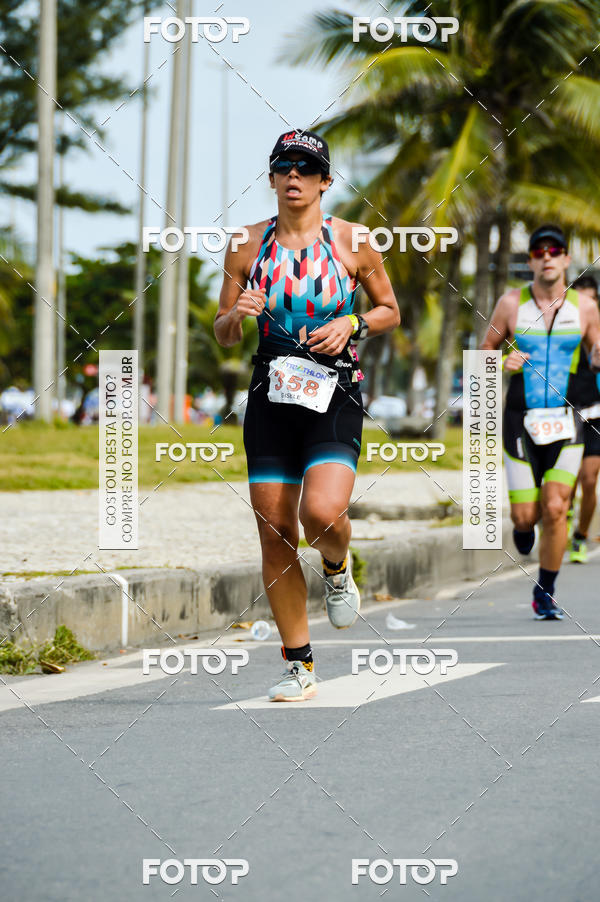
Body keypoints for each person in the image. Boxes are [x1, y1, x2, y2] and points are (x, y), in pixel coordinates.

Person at [214, 130, 400, 699]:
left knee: (321, 513)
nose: (294, 175)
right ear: (272, 178)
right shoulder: (246, 244)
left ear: (324, 181)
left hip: (334, 390)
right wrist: (237, 314)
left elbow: (390, 310)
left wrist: (353, 323)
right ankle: (300, 665)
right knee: (275, 530)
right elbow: (223, 332)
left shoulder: (353, 241)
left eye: (306, 167)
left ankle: (337, 568)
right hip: (271, 394)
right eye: (284, 166)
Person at [481, 224, 600, 619]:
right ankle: (522, 527)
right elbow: (484, 352)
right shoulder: (510, 304)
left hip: (568, 419)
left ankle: (546, 590)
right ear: (531, 261)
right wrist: (503, 360)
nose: (547, 257)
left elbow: (596, 354)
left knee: (556, 506)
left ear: (566, 259)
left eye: (554, 251)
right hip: (520, 420)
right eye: (539, 252)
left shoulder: (585, 308)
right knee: (525, 516)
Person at [568, 275, 600, 562]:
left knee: (589, 480)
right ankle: (561, 516)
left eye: (591, 300)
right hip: (564, 412)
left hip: (596, 413)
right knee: (567, 480)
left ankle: (580, 536)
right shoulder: (561, 333)